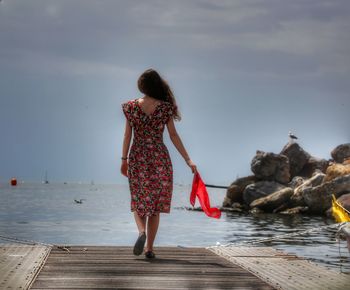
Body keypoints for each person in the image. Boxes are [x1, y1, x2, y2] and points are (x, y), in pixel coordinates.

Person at [121, 69, 197, 259]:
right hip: (158, 158)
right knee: (154, 205)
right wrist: (188, 159)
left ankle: (141, 233)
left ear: (142, 86)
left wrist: (124, 160)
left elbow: (127, 136)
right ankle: (149, 249)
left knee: (139, 199)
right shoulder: (164, 108)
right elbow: (173, 135)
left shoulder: (130, 107)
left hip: (138, 156)